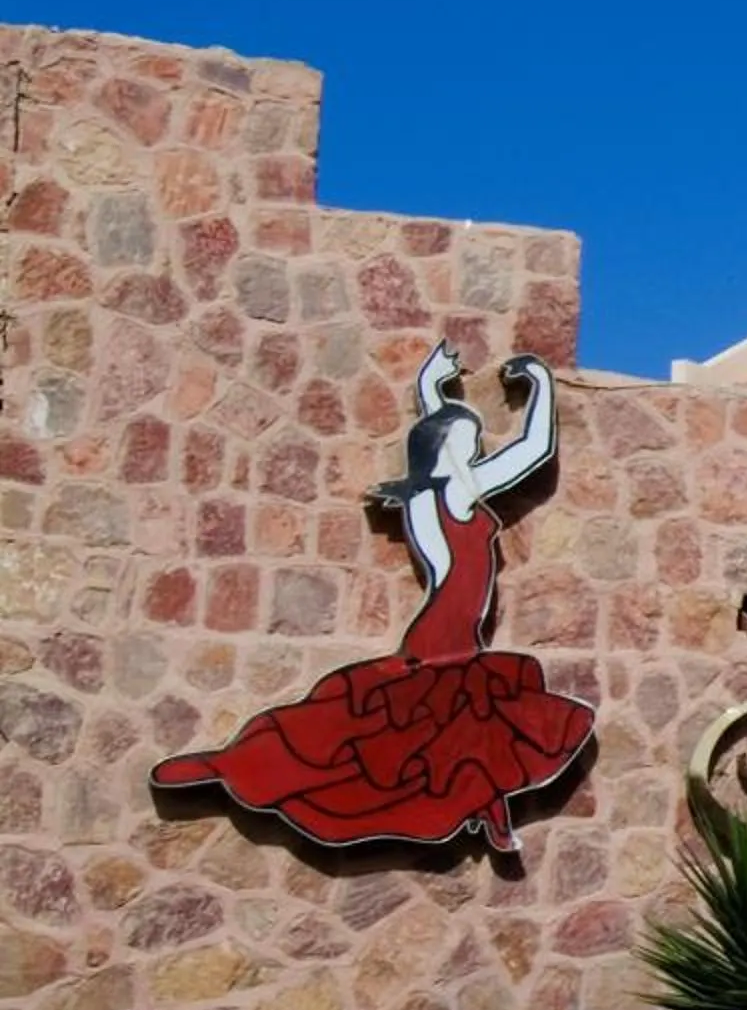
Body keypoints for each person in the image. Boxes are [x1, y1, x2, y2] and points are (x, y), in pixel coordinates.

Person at [152, 342, 593, 852]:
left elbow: (433, 437)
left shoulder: (438, 494)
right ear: (448, 453)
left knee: (451, 739)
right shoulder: (450, 497)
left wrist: (432, 389)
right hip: (445, 634)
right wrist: (539, 382)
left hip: (456, 635)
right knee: (371, 736)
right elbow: (532, 450)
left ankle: (488, 813)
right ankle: (230, 766)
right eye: (470, 447)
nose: (478, 458)